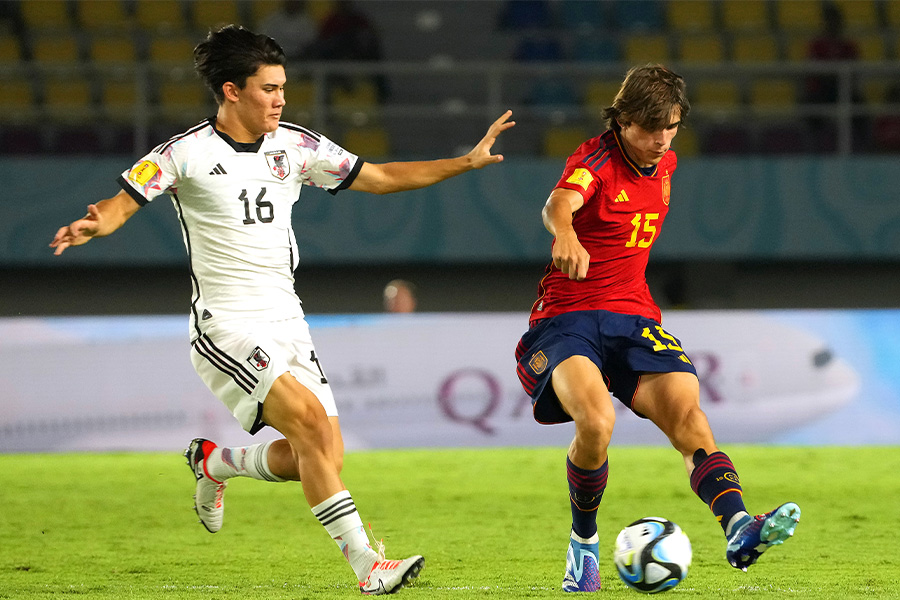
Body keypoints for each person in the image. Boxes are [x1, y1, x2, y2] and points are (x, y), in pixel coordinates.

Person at [50, 25, 514, 596]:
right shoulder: (185, 153)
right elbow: (124, 203)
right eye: (269, 88)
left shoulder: (296, 147)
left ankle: (217, 463)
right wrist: (96, 223)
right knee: (314, 429)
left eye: (283, 88)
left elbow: (384, 177)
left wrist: (465, 162)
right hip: (226, 324)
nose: (281, 99)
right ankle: (369, 565)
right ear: (231, 91)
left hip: (288, 320)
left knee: (322, 457)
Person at [513, 64, 800, 592]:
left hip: (635, 315)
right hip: (569, 318)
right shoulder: (595, 158)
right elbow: (559, 202)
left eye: (670, 127)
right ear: (621, 120)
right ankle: (583, 545)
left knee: (689, 416)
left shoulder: (664, 160)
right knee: (597, 424)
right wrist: (566, 235)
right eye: (649, 129)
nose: (660, 140)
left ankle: (739, 526)